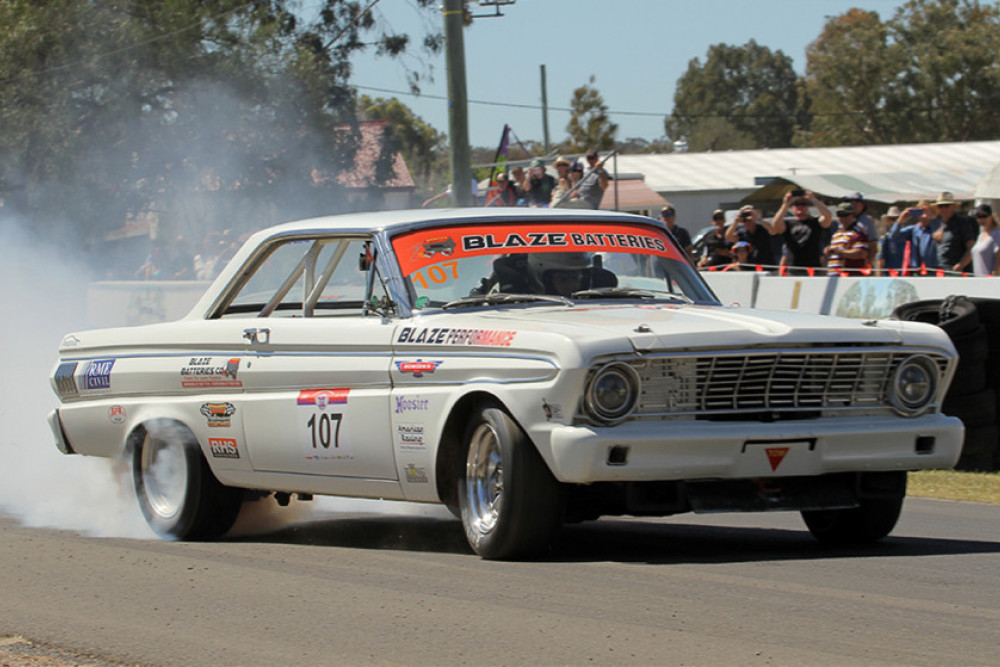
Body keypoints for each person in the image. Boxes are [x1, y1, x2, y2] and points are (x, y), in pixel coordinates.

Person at [768, 190, 833, 274]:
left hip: (813, 269)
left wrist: (813, 199)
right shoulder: (788, 224)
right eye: (797, 205)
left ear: (807, 207)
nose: (800, 207)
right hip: (794, 268)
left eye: (803, 204)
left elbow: (828, 216)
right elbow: (775, 225)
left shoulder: (815, 222)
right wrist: (786, 203)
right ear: (793, 208)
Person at [890, 200, 940, 272]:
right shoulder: (914, 229)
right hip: (916, 269)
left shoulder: (937, 227)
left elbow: (942, 232)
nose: (923, 215)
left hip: (934, 269)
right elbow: (893, 237)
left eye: (926, 211)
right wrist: (900, 220)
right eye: (920, 211)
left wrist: (933, 218)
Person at [931, 191, 975, 272]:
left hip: (957, 271)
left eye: (946, 206)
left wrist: (960, 265)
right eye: (940, 206)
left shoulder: (962, 222)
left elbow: (971, 247)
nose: (943, 209)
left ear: (953, 206)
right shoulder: (938, 223)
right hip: (940, 270)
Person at [824, 202, 870, 274]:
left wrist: (839, 252)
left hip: (848, 276)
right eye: (840, 215)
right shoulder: (836, 234)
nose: (842, 218)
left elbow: (861, 253)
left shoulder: (858, 233)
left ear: (853, 216)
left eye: (845, 215)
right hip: (833, 276)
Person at [527, 252, 594, 297]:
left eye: (575, 277)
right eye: (562, 279)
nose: (571, 284)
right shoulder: (524, 307)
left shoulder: (598, 302)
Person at [843, 192, 878, 266]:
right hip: (843, 262)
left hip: (860, 262)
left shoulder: (866, 221)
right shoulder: (842, 220)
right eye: (850, 201)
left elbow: (873, 244)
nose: (853, 203)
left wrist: (869, 262)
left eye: (857, 201)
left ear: (863, 205)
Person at [970, 203, 1000, 276]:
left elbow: (998, 256)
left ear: (991, 216)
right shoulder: (980, 236)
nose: (981, 219)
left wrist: (995, 275)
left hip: (990, 281)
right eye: (978, 217)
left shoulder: (997, 234)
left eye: (984, 216)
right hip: (978, 280)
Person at [876, 206, 904, 274]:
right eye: (892, 219)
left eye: (897, 219)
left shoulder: (906, 235)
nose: (895, 222)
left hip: (906, 273)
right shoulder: (885, 238)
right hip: (891, 274)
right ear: (888, 221)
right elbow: (880, 260)